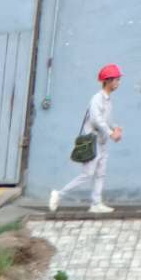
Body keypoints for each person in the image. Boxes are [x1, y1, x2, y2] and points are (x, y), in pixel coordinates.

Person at [49, 64, 123, 215]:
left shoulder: (108, 100)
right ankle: (59, 194)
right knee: (87, 174)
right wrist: (111, 133)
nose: (118, 82)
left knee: (100, 174)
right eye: (116, 79)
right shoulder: (97, 99)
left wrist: (115, 128)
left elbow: (107, 120)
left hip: (102, 142)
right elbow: (96, 120)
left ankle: (96, 204)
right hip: (93, 142)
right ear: (108, 81)